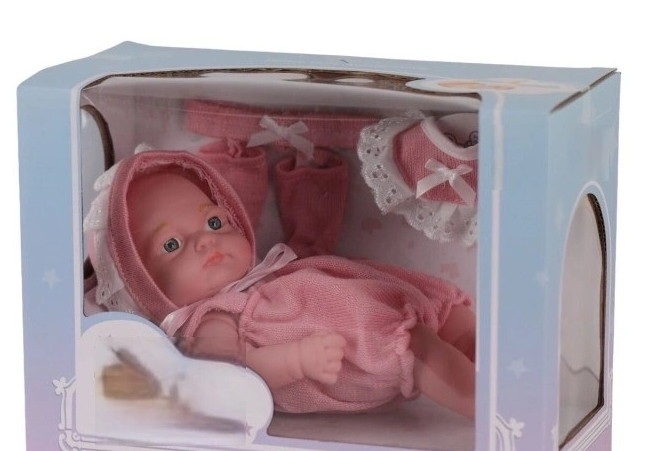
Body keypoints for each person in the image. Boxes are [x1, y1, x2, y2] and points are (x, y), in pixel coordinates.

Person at [86, 148, 476, 418]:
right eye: (171, 245)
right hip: (355, 353)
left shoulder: (271, 270)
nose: (205, 241)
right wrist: (295, 360)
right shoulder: (211, 319)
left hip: (383, 311)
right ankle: (484, 404)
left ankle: (486, 353)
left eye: (214, 222)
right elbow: (231, 375)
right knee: (419, 348)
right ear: (145, 286)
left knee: (448, 318)